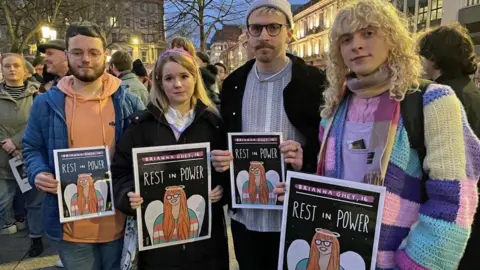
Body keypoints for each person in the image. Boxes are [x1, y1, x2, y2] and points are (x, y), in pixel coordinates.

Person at [272, 0, 480, 269]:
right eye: (346, 39)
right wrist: (305, 195)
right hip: (342, 258)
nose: (356, 45)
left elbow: (455, 200)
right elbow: (338, 185)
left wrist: (413, 264)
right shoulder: (334, 109)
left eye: (368, 33)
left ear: (392, 39)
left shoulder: (433, 101)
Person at [210, 0, 326, 269]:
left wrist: (305, 158)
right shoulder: (233, 84)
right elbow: (225, 138)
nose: (264, 36)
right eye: (256, 28)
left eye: (274, 28)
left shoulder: (312, 81)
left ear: (289, 32)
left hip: (294, 215)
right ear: (247, 34)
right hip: (244, 219)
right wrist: (221, 162)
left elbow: (329, 144)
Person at [22, 21, 145, 270]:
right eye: (77, 53)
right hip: (70, 228)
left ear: (105, 56)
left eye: (93, 52)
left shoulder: (129, 102)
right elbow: (32, 148)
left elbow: (145, 153)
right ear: (67, 55)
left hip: (119, 224)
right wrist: (39, 173)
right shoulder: (46, 104)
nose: (85, 59)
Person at [111, 48, 229, 269]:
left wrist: (222, 188)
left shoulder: (213, 123)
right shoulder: (141, 126)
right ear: (159, 82)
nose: (177, 84)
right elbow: (120, 172)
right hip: (159, 251)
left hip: (205, 244)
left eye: (184, 76)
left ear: (195, 78)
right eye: (169, 78)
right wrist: (128, 194)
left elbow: (226, 170)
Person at [418, 23, 480, 270]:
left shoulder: (440, 97)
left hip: (452, 214)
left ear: (434, 58)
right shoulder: (472, 91)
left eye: (422, 55)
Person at [0, 53, 44, 257]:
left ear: (25, 71)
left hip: (28, 156)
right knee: (4, 198)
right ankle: (9, 224)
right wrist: (6, 143)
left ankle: (36, 237)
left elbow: (37, 123)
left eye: (16, 65)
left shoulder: (37, 95)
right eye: (7, 65)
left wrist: (16, 142)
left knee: (33, 200)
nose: (11, 69)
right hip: (2, 157)